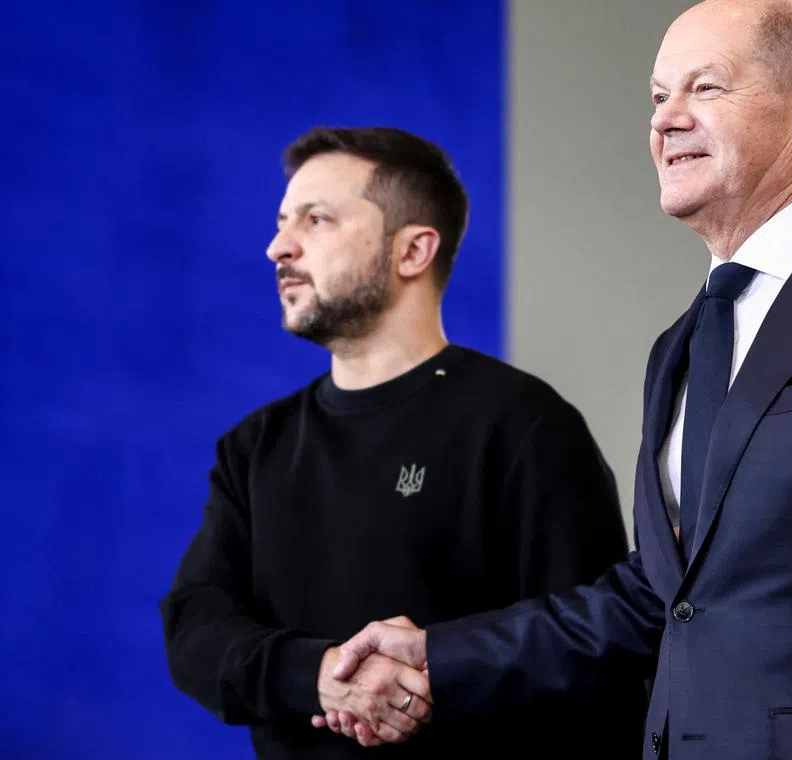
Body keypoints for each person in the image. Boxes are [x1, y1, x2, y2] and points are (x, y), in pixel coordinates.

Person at [318, 1, 792, 758]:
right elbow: (666, 598)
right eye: (658, 96)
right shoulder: (684, 342)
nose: (663, 120)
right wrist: (436, 657)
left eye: (705, 87)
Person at [159, 126, 648, 759]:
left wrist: (426, 681)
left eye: (317, 220)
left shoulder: (524, 427)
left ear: (413, 251)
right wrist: (323, 676)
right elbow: (194, 628)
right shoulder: (256, 447)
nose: (278, 247)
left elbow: (596, 654)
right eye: (284, 222)